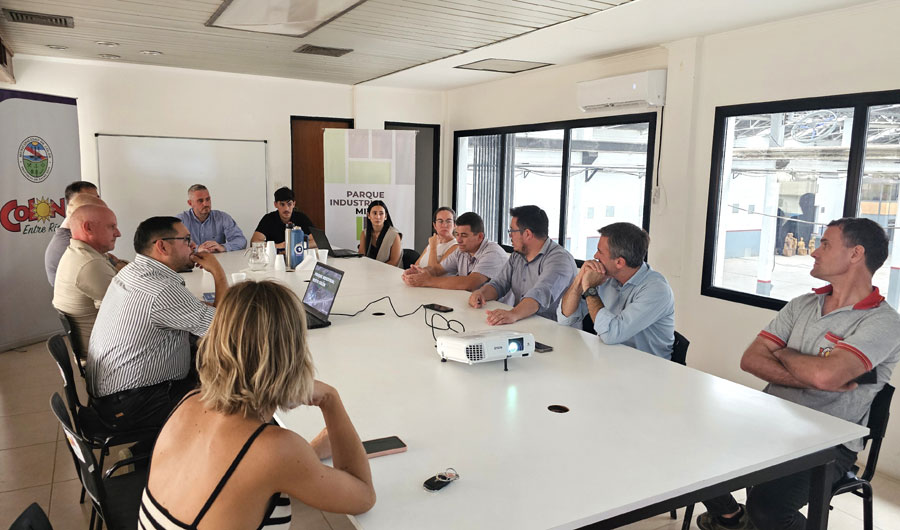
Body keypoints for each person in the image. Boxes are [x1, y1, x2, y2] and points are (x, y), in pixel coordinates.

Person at [697, 217, 900, 530]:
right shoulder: (802, 304)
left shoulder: (884, 323)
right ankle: (732, 517)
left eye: (825, 244)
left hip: (827, 444)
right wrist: (811, 371)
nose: (814, 252)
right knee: (689, 449)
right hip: (768, 420)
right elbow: (750, 360)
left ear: (855, 254)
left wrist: (783, 352)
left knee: (768, 510)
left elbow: (826, 377)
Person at [138, 281, 375, 530]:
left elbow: (246, 472)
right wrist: (330, 399)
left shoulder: (190, 402)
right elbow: (364, 496)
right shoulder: (274, 449)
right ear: (292, 354)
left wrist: (307, 455)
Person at [87, 216, 228, 435]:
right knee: (229, 399)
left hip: (111, 394)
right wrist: (218, 272)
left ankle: (146, 449)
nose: (193, 245)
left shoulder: (133, 272)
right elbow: (224, 328)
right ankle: (170, 448)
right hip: (132, 403)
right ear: (162, 246)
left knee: (206, 357)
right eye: (186, 239)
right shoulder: (162, 290)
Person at [557, 222, 675, 359]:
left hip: (647, 367)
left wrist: (590, 289)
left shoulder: (656, 290)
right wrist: (579, 280)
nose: (595, 256)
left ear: (619, 262)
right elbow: (566, 320)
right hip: (609, 359)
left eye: (600, 252)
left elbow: (611, 335)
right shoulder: (606, 277)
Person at [468, 205, 576, 324]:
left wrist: (513, 314)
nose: (510, 236)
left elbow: (540, 294)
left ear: (527, 234)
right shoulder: (518, 255)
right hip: (523, 323)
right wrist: (481, 293)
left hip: (554, 330)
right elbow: (499, 284)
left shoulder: (560, 259)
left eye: (512, 231)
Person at [52, 205, 122, 356]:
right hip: (108, 356)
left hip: (100, 347)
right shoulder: (90, 264)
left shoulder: (78, 254)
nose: (118, 233)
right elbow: (128, 312)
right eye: (111, 227)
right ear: (88, 228)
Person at [402, 211, 508, 293]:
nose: (459, 240)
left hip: (498, 309)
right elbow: (437, 270)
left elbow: (470, 283)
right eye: (457, 234)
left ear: (480, 236)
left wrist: (428, 280)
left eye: (464, 235)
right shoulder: (461, 250)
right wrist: (418, 273)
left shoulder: (493, 253)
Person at [45, 182, 104, 286]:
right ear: (75, 204)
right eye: (89, 200)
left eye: (97, 198)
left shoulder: (79, 238)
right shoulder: (67, 246)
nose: (98, 204)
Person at [176, 184, 247, 252]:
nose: (206, 204)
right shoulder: (180, 221)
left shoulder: (223, 218)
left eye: (208, 199)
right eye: (200, 201)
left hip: (218, 259)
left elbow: (241, 241)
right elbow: (174, 246)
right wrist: (197, 249)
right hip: (190, 259)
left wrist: (223, 247)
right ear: (190, 203)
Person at [251, 187, 316, 249]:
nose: (286, 209)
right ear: (275, 204)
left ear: (294, 204)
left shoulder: (301, 218)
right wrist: (278, 246)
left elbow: (316, 241)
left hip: (297, 253)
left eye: (289, 204)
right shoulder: (268, 218)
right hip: (274, 255)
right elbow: (254, 242)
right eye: (282, 204)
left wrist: (295, 246)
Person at [358, 200, 402, 267]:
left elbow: (394, 262)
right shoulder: (364, 233)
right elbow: (361, 257)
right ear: (368, 215)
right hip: (368, 270)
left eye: (381, 214)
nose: (378, 217)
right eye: (374, 213)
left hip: (389, 271)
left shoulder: (395, 235)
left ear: (385, 216)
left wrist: (375, 270)